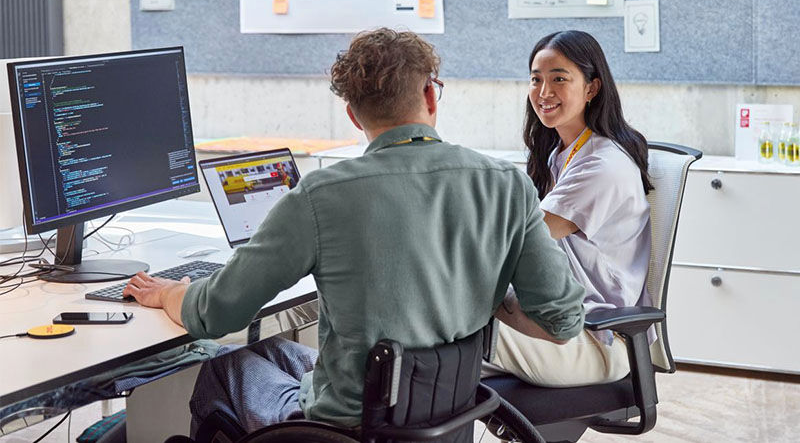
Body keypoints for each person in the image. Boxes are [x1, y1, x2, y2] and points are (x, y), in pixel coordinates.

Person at [122, 28, 585, 434]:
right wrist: (486, 293)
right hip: (447, 417)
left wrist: (168, 294)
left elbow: (215, 313)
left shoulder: (322, 195)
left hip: (346, 428)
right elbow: (562, 322)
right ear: (429, 96)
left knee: (222, 365)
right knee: (278, 353)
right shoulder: (507, 185)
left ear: (352, 115)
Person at [487, 30, 655, 387]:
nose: (544, 93)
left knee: (445, 332)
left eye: (559, 79)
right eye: (536, 80)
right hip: (558, 320)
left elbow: (525, 240)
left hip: (596, 339)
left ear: (592, 88)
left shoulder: (602, 165)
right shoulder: (560, 155)